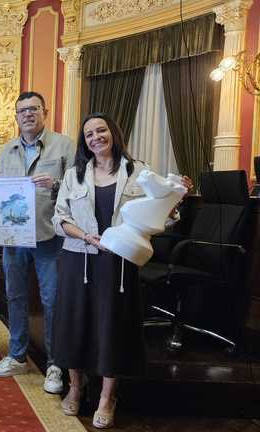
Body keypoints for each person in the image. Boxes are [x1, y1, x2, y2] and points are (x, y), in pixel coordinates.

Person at [51, 113, 190, 429]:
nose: (95, 137)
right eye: (88, 134)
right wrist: (86, 237)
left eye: (101, 130)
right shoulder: (75, 175)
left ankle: (107, 396)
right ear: (84, 141)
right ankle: (75, 387)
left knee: (109, 326)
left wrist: (175, 195)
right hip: (78, 258)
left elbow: (163, 216)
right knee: (75, 324)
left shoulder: (137, 172)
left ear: (113, 133)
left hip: (118, 261)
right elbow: (59, 219)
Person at [0, 91, 74, 393]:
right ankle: (17, 355)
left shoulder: (64, 146)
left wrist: (55, 184)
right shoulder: (7, 151)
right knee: (15, 296)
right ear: (16, 116)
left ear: (44, 111)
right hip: (14, 238)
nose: (28, 115)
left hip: (49, 237)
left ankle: (56, 363)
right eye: (22, 111)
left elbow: (79, 189)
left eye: (33, 109)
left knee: (52, 300)